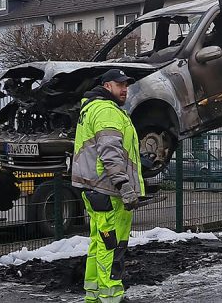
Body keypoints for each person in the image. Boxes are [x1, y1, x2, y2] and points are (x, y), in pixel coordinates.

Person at [71, 69, 146, 303]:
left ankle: (94, 295)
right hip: (109, 191)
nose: (125, 89)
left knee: (99, 243)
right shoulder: (106, 111)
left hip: (95, 190)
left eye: (126, 85)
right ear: (106, 86)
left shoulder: (92, 109)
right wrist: (124, 185)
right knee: (113, 246)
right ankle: (111, 297)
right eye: (119, 84)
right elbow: (110, 153)